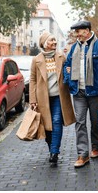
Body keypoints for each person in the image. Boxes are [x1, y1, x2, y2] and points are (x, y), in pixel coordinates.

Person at [63, 20, 98, 168]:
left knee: (95, 121)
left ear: (86, 30)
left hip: (95, 91)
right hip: (78, 91)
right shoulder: (74, 48)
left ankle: (95, 147)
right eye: (76, 33)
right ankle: (82, 154)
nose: (77, 35)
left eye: (78, 32)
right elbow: (67, 64)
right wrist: (68, 76)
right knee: (80, 122)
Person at [29, 32, 76, 167]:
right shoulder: (36, 60)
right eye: (51, 40)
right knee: (47, 126)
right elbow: (32, 80)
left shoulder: (61, 57)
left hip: (58, 97)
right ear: (44, 44)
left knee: (56, 121)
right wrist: (33, 99)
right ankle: (51, 148)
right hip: (43, 98)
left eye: (55, 40)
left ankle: (54, 152)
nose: (55, 42)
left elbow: (68, 71)